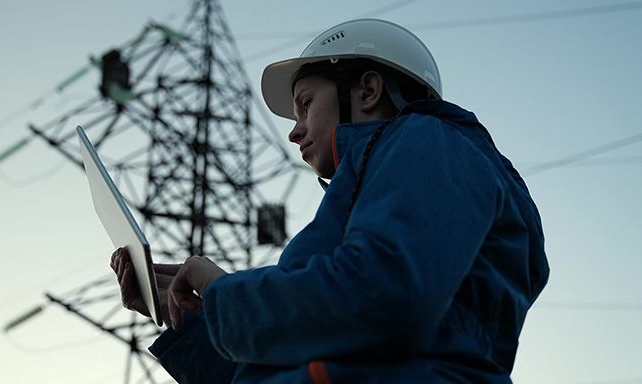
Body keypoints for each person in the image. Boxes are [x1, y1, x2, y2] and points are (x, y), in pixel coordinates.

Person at [109, 18, 549, 383]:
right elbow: (285, 366)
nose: (294, 130)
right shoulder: (385, 179)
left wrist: (226, 294)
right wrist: (189, 318)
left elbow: (381, 295)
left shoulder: (430, 141)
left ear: (367, 91)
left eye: (305, 104)